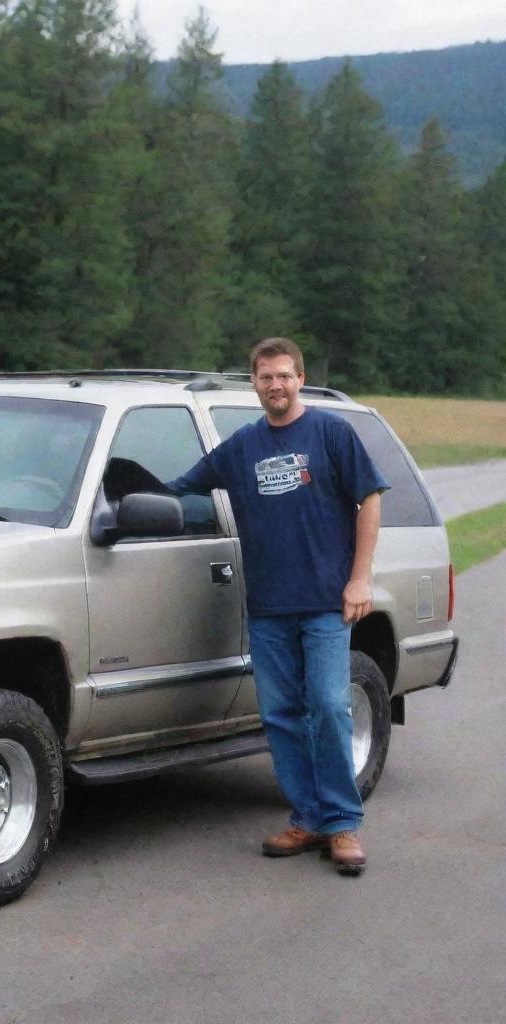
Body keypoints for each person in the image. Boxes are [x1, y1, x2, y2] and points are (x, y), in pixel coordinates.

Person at [166, 338, 388, 875]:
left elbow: (371, 498)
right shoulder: (242, 447)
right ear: (254, 384)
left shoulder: (332, 433)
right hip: (267, 608)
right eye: (266, 378)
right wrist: (124, 491)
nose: (276, 386)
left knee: (330, 708)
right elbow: (180, 486)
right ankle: (307, 818)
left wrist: (360, 579)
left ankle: (342, 825)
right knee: (282, 716)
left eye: (285, 376)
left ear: (300, 378)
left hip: (325, 605)